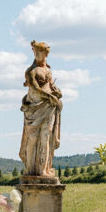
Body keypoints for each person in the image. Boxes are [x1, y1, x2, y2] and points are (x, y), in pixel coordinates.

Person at [19, 40, 62, 178]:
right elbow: (36, 88)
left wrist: (56, 93)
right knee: (32, 138)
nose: (37, 54)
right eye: (35, 51)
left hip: (49, 107)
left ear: (46, 54)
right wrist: (49, 97)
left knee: (47, 136)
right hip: (34, 108)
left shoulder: (48, 70)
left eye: (40, 52)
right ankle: (31, 168)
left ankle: (44, 169)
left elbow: (50, 86)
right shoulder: (30, 71)